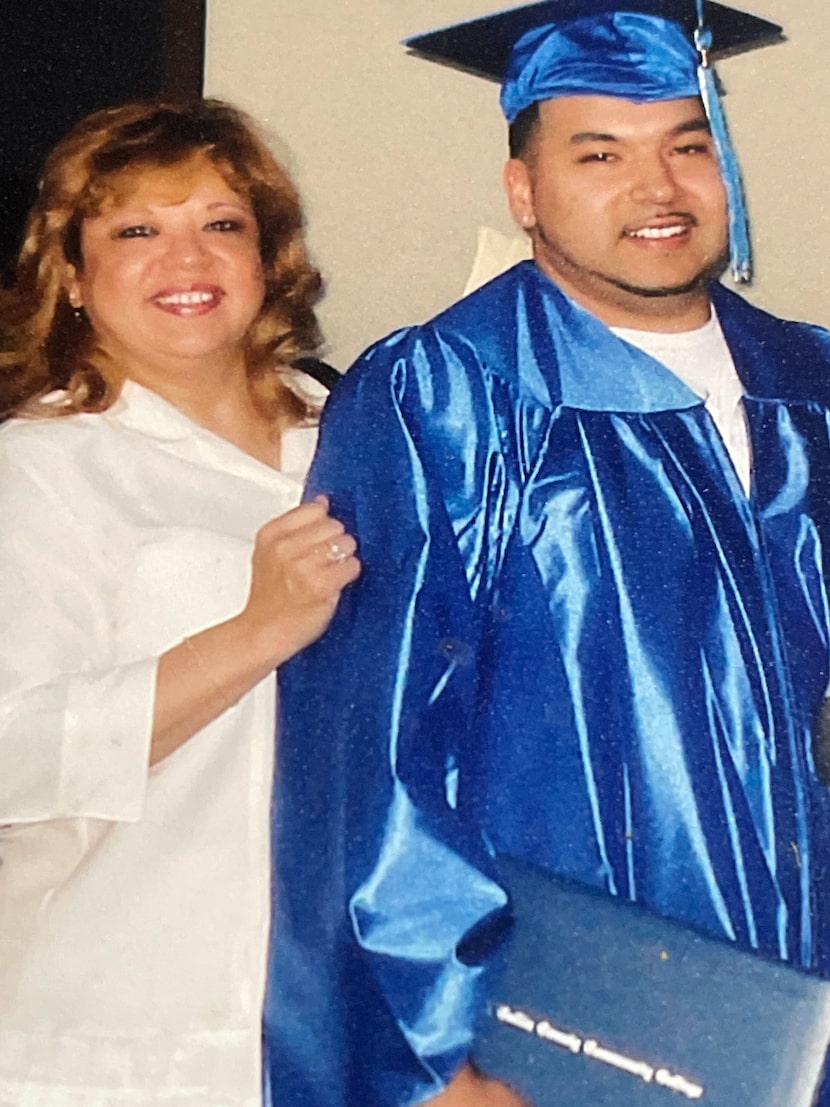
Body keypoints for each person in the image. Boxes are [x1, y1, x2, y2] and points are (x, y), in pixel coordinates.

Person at [264, 1, 830, 1105]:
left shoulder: (807, 387)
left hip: (790, 999)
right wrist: (439, 1055)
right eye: (599, 154)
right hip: (554, 1022)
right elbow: (366, 756)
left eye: (686, 144)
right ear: (522, 189)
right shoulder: (443, 393)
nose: (656, 188)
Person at [0, 98, 359, 1106]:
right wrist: (256, 633)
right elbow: (12, 751)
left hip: (337, 1003)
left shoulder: (356, 436)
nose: (187, 259)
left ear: (268, 257)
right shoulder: (44, 465)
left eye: (220, 225)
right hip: (122, 1016)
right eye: (136, 231)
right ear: (71, 275)